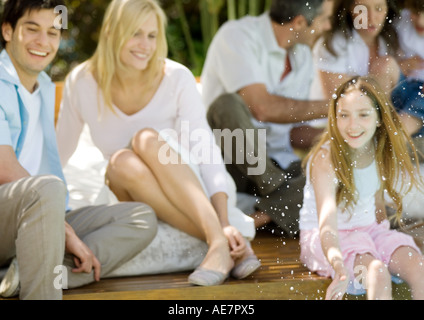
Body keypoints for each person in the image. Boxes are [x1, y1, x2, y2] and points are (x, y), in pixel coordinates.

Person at [56, 0, 260, 287]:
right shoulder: (82, 82)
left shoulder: (176, 77)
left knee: (146, 139)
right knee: (119, 162)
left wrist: (224, 218)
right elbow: (57, 154)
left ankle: (218, 239)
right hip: (134, 193)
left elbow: (206, 151)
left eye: (152, 36)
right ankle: (221, 243)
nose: (145, 45)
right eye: (135, 34)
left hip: (189, 186)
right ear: (113, 32)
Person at [0, 0, 157, 300]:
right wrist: (68, 234)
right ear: (8, 30)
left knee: (140, 217)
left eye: (53, 33)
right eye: (32, 30)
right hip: (10, 213)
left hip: (43, 212)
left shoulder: (43, 85)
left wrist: (61, 223)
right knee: (46, 191)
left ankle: (30, 273)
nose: (43, 42)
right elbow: (6, 170)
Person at [201, 0, 334, 237]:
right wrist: (338, 104)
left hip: (277, 163)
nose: (327, 26)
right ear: (300, 22)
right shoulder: (237, 36)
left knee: (337, 172)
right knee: (227, 104)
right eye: (324, 19)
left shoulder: (302, 55)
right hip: (228, 160)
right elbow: (262, 108)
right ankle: (281, 197)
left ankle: (259, 217)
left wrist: (343, 136)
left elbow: (294, 131)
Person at [299, 76, 424, 300]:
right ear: (334, 118)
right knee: (377, 273)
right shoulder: (326, 158)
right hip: (328, 240)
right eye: (344, 115)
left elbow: (375, 201)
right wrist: (338, 266)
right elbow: (326, 225)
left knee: (418, 266)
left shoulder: (378, 148)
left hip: (369, 231)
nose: (352, 125)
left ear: (378, 119)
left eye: (363, 115)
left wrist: (385, 235)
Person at [313, 0, 424, 139]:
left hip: (388, 112)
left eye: (379, 9)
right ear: (349, 8)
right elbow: (337, 101)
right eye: (362, 10)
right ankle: (387, 137)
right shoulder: (334, 44)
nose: (371, 18)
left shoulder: (389, 39)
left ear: (387, 9)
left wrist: (400, 67)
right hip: (349, 120)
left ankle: (390, 135)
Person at [392, 0, 424, 144]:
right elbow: (390, 58)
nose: (421, 21)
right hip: (403, 87)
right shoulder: (402, 23)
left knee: (419, 104)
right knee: (386, 66)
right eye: (416, 13)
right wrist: (401, 65)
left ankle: (392, 141)